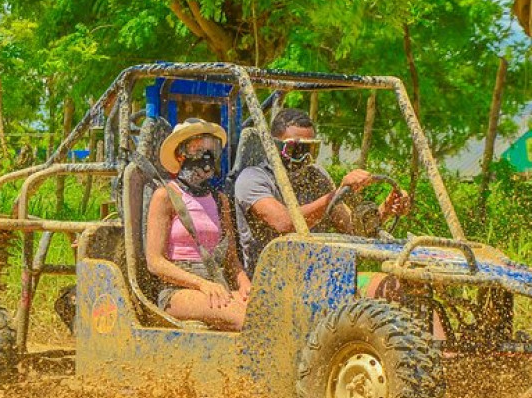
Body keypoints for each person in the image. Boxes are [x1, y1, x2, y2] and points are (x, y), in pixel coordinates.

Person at [234, 108, 410, 274]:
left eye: (311, 150)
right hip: (272, 277)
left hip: (321, 275)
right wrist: (335, 194)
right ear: (275, 147)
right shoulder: (253, 178)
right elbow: (284, 223)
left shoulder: (316, 176)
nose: (306, 157)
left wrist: (386, 209)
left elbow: (353, 230)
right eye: (297, 150)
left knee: (395, 286)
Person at [146, 118, 251, 331]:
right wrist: (201, 284)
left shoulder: (220, 200)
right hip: (177, 291)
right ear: (180, 155)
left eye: (212, 149)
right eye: (198, 149)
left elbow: (231, 258)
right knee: (244, 318)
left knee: (264, 312)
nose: (206, 156)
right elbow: (155, 262)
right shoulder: (166, 196)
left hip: (216, 286)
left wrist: (244, 284)